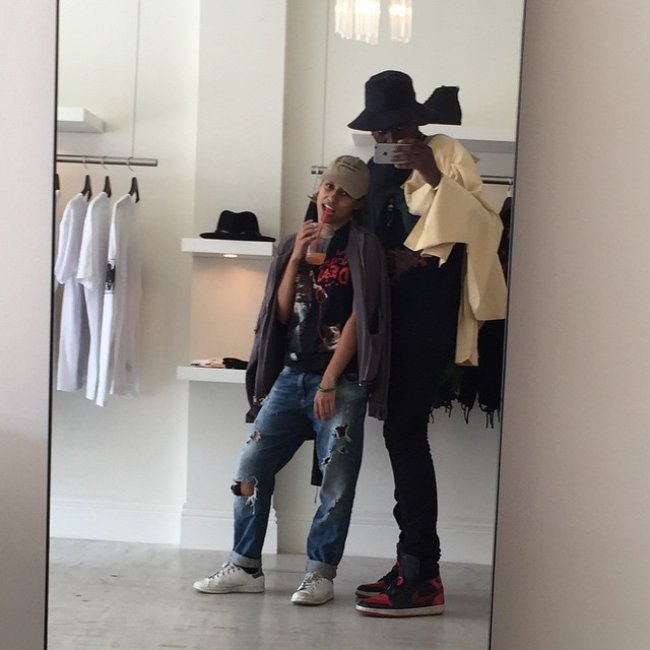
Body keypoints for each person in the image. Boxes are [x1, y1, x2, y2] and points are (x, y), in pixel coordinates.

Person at [192, 155, 390, 606]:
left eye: (344, 192)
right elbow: (280, 315)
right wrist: (296, 257)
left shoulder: (364, 248)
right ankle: (245, 566)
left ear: (358, 203)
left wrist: (330, 379)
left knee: (336, 482)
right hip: (291, 373)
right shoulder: (293, 243)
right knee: (249, 468)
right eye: (328, 186)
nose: (332, 197)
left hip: (341, 381)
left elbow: (361, 319)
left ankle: (319, 574)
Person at [348, 71, 507, 617]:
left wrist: (432, 173)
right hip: (386, 325)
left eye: (395, 127)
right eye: (379, 130)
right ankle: (411, 564)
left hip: (427, 323)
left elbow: (483, 228)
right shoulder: (374, 168)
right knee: (400, 435)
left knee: (405, 434)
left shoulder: (445, 153)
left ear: (413, 122)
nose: (387, 138)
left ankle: (421, 573)